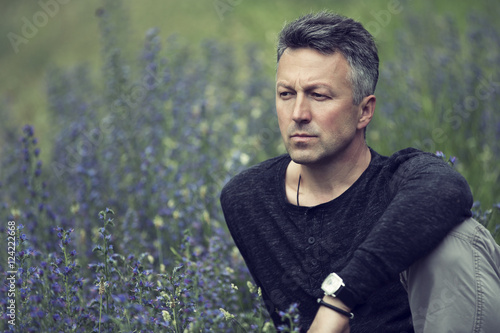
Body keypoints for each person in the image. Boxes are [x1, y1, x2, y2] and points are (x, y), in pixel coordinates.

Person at [220, 11, 500, 332]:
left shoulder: (397, 181)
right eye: (286, 94)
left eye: (318, 95)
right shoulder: (248, 199)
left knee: (456, 240)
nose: (298, 113)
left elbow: (448, 188)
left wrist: (340, 297)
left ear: (364, 111)